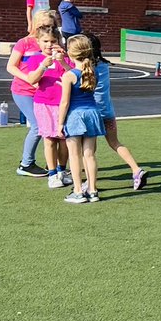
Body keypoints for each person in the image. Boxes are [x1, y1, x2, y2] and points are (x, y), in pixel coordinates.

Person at [87, 34, 147, 190]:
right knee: (115, 143)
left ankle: (90, 183)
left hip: (92, 112)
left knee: (88, 150)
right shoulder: (103, 65)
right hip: (107, 111)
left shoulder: (87, 67)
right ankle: (136, 169)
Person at [6, 9, 62, 177]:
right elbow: (11, 66)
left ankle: (53, 163)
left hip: (46, 93)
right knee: (38, 125)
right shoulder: (24, 43)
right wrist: (29, 79)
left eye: (51, 26)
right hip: (24, 91)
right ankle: (26, 164)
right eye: (43, 25)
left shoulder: (54, 42)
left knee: (55, 127)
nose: (47, 28)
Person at [56, 35, 105, 204]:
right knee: (89, 155)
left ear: (70, 54)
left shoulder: (68, 76)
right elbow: (81, 78)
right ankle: (92, 190)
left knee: (74, 155)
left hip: (75, 116)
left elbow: (65, 102)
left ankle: (78, 191)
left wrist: (60, 123)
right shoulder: (93, 72)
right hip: (92, 114)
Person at [24, 26, 73, 189]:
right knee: (49, 140)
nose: (49, 45)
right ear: (38, 42)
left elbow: (75, 75)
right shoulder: (35, 59)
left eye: (53, 41)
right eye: (45, 41)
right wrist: (43, 66)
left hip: (64, 104)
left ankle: (62, 171)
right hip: (44, 104)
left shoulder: (65, 58)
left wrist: (62, 61)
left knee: (64, 139)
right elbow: (31, 80)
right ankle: (52, 174)